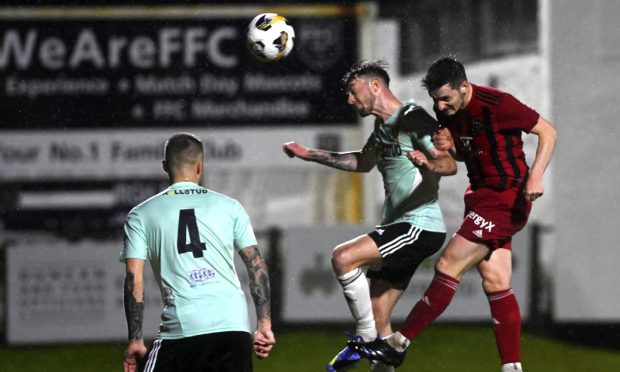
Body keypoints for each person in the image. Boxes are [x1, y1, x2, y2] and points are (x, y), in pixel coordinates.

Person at [350, 57, 557, 372]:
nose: (441, 106)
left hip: (506, 197)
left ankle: (398, 343)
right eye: (436, 100)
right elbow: (463, 153)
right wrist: (448, 147)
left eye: (446, 98)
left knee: (449, 263)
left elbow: (548, 131)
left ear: (464, 87)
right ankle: (512, 366)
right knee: (495, 280)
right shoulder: (446, 110)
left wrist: (536, 175)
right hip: (479, 197)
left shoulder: (498, 104)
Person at [283, 60, 456, 372]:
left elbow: (449, 163)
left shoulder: (412, 118)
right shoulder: (383, 128)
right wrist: (309, 154)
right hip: (401, 226)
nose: (350, 100)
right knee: (379, 315)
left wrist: (431, 164)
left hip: (418, 224)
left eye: (353, 91)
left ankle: (363, 337)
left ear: (375, 86)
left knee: (343, 257)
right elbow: (362, 163)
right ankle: (376, 344)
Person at [120, 133, 275, 372]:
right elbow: (256, 265)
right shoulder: (230, 206)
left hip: (185, 327)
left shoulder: (141, 215)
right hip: (233, 325)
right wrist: (264, 323)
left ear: (165, 166)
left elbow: (134, 279)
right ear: (200, 166)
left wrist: (135, 339)